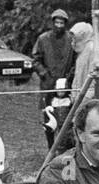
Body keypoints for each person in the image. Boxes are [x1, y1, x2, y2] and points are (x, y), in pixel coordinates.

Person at [33, 9, 75, 148]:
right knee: (49, 116)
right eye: (56, 22)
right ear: (52, 23)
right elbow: (36, 60)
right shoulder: (43, 39)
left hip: (66, 84)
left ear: (65, 24)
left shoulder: (70, 39)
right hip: (48, 84)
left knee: (67, 117)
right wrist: (44, 74)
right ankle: (51, 147)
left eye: (61, 22)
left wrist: (69, 78)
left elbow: (76, 60)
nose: (58, 25)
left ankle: (66, 146)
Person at [70, 21, 99, 97]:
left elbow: (95, 76)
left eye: (74, 36)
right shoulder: (82, 51)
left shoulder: (93, 50)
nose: (73, 40)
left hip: (88, 97)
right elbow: (77, 75)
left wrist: (87, 97)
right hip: (80, 94)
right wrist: (74, 93)